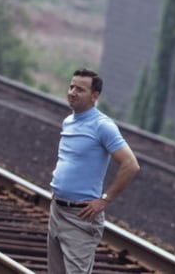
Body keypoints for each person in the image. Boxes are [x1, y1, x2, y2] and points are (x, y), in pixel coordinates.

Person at [47, 68, 140, 273]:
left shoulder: (102, 126)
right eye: (71, 86)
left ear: (94, 96)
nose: (72, 92)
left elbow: (130, 165)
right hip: (57, 210)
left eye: (80, 89)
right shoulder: (68, 121)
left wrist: (104, 200)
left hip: (81, 216)